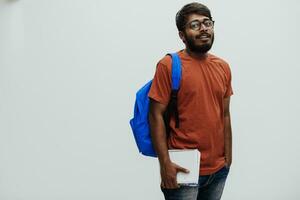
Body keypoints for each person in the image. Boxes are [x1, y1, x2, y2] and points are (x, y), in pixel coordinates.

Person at [148, 2, 233, 200]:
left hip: (218, 169)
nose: (204, 28)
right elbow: (155, 115)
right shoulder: (168, 65)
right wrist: (165, 163)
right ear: (182, 35)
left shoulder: (223, 67)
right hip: (183, 167)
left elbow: (225, 114)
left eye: (207, 23)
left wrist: (228, 158)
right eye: (195, 25)